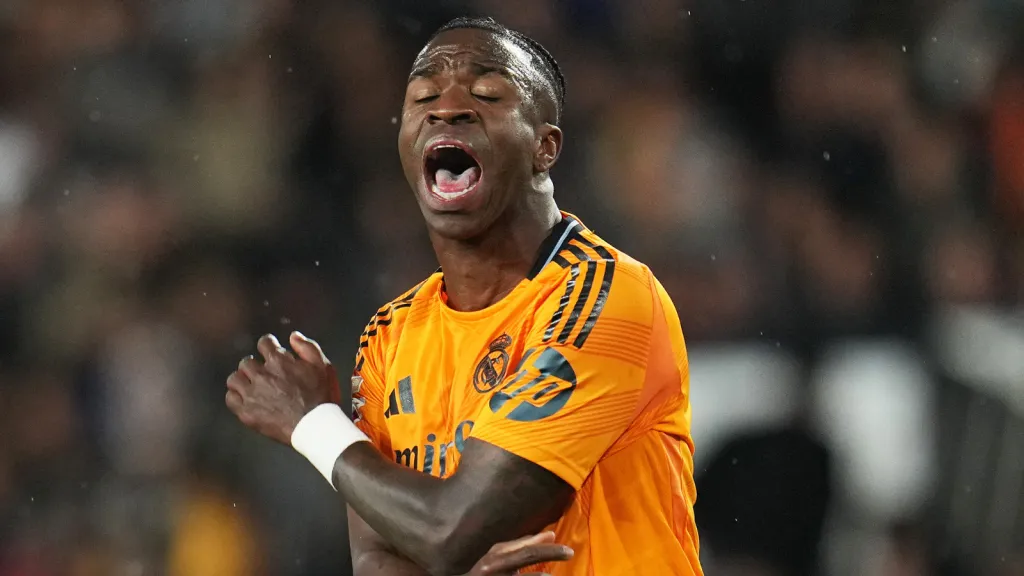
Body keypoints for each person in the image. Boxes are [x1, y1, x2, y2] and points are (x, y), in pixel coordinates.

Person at [225, 16, 702, 576]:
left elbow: (447, 529)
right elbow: (378, 560)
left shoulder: (604, 297)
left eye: (487, 94)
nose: (446, 106)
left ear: (544, 148)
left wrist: (314, 424)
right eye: (423, 95)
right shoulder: (391, 333)